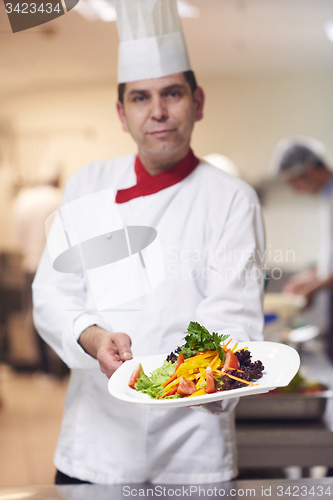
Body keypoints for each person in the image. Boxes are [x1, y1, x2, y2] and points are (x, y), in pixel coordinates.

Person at [33, 0, 265, 485]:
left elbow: (232, 317)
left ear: (197, 102)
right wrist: (95, 339)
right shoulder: (87, 186)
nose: (157, 112)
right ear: (121, 113)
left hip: (193, 449)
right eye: (140, 98)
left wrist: (187, 380)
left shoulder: (231, 199)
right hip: (95, 447)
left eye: (172, 94)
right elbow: (54, 295)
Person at [274, 137, 333, 361]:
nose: (297, 190)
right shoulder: (327, 197)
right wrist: (310, 278)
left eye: (294, 182)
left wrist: (313, 286)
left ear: (308, 171)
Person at [12, 166, 62, 373]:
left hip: (32, 266)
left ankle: (44, 369)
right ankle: (60, 370)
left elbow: (17, 236)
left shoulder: (24, 200)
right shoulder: (60, 197)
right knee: (61, 314)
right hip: (58, 268)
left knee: (36, 316)